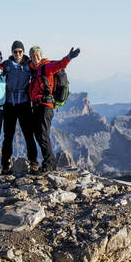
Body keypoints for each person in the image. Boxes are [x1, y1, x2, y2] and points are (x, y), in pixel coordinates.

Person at [28, 45, 80, 173]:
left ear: (41, 56)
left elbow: (59, 65)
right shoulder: (34, 71)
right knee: (39, 134)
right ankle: (50, 162)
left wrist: (69, 57)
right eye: (32, 56)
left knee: (43, 134)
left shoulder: (46, 67)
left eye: (37, 55)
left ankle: (49, 164)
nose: (35, 58)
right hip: (37, 106)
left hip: (45, 106)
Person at [0, 40, 38, 174]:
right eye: (15, 51)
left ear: (23, 52)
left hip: (24, 103)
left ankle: (33, 163)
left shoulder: (29, 65)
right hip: (9, 104)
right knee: (8, 135)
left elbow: (44, 68)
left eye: (20, 51)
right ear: (12, 52)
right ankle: (5, 165)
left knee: (28, 134)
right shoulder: (6, 65)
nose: (17, 54)